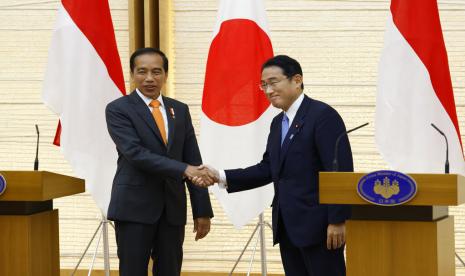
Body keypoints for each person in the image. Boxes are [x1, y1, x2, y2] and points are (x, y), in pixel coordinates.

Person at [195, 55, 353, 276]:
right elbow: (268, 168)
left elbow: (339, 172)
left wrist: (337, 220)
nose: (268, 90)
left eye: (273, 82)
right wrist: (220, 175)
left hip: (320, 227)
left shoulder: (323, 116)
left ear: (296, 80)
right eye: (264, 85)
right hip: (288, 226)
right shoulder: (278, 123)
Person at [105, 47, 214, 276]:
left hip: (171, 209)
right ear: (133, 74)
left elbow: (193, 158)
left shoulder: (180, 110)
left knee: (170, 271)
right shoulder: (118, 109)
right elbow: (135, 153)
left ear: (165, 74)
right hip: (134, 207)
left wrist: (202, 209)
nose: (149, 78)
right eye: (142, 71)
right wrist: (184, 169)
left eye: (156, 72)